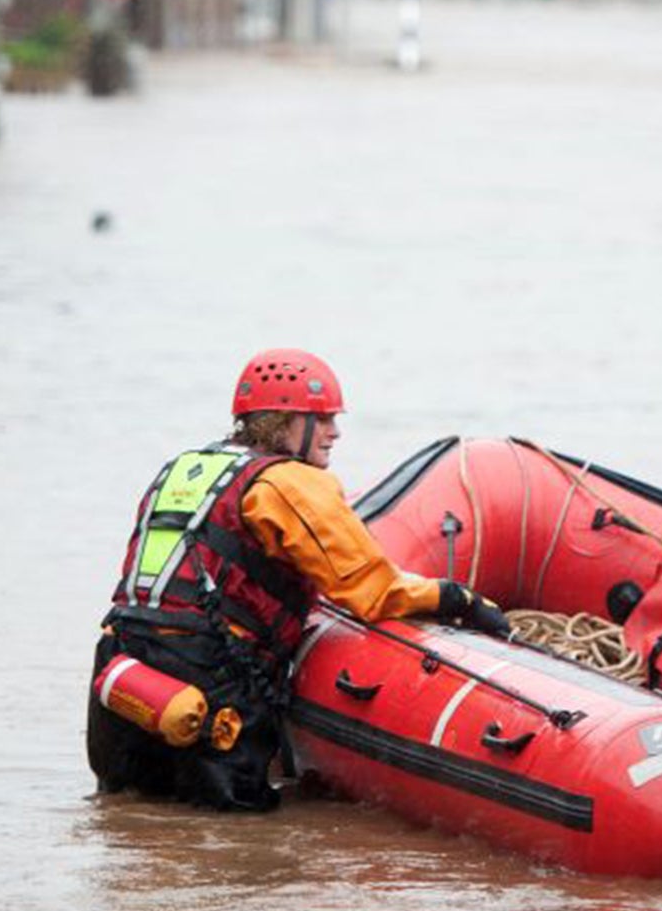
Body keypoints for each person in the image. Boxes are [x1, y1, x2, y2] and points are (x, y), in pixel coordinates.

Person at [87, 347, 511, 811]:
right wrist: (456, 599)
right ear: (284, 422)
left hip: (125, 664)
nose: (335, 431)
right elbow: (372, 591)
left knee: (129, 811)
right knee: (235, 836)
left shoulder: (186, 467)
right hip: (209, 676)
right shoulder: (288, 482)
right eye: (323, 418)